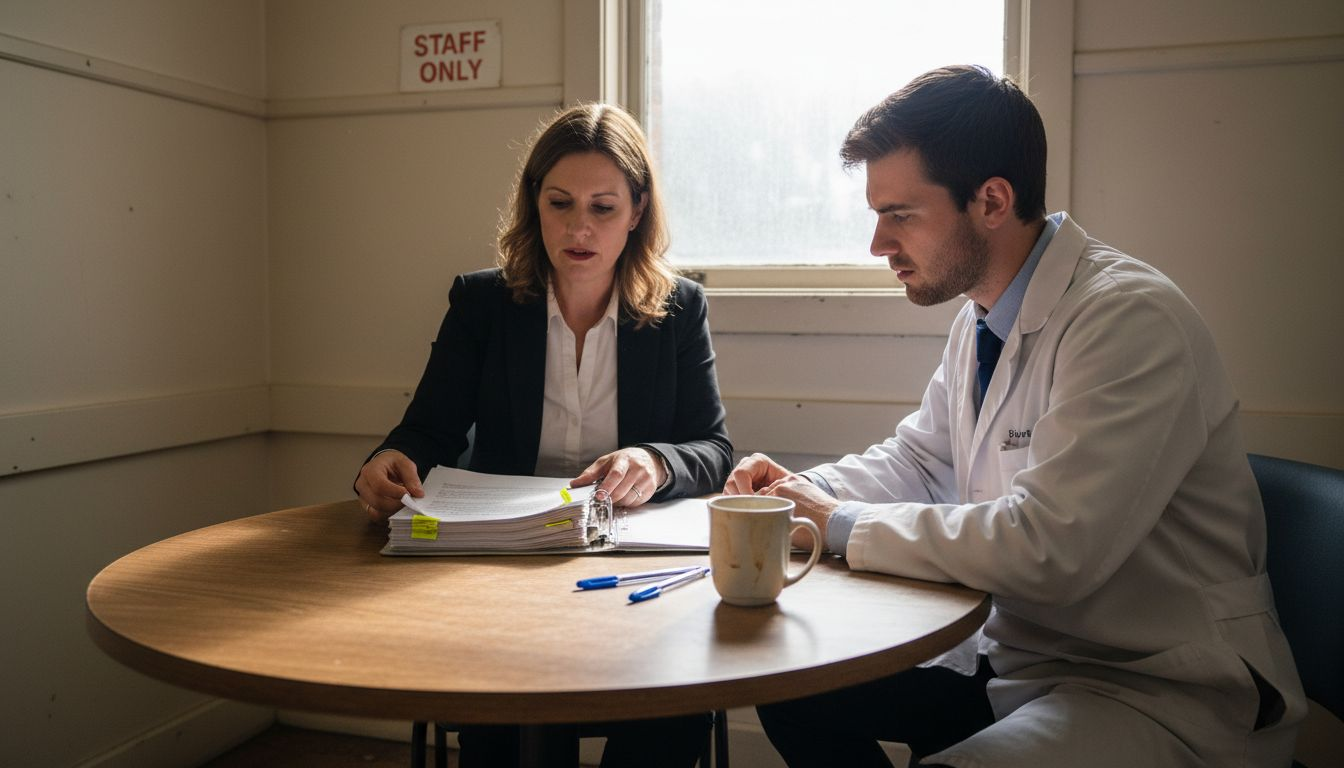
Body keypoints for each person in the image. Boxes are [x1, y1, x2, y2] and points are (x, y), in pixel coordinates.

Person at [726, 65, 1305, 768]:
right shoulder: (982, 317)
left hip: (1153, 682)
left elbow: (1049, 547)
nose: (878, 244)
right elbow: (922, 459)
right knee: (795, 689)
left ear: (992, 201)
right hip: (1022, 660)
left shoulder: (1128, 319)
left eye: (900, 215)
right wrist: (795, 495)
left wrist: (839, 523)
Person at [355, 103, 730, 768]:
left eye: (604, 207)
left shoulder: (679, 309)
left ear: (638, 210)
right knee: (512, 728)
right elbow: (427, 429)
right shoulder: (483, 304)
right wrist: (387, 460)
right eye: (560, 203)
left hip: (629, 574)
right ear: (534, 204)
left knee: (669, 712)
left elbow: (713, 449)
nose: (579, 227)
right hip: (505, 570)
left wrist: (656, 460)